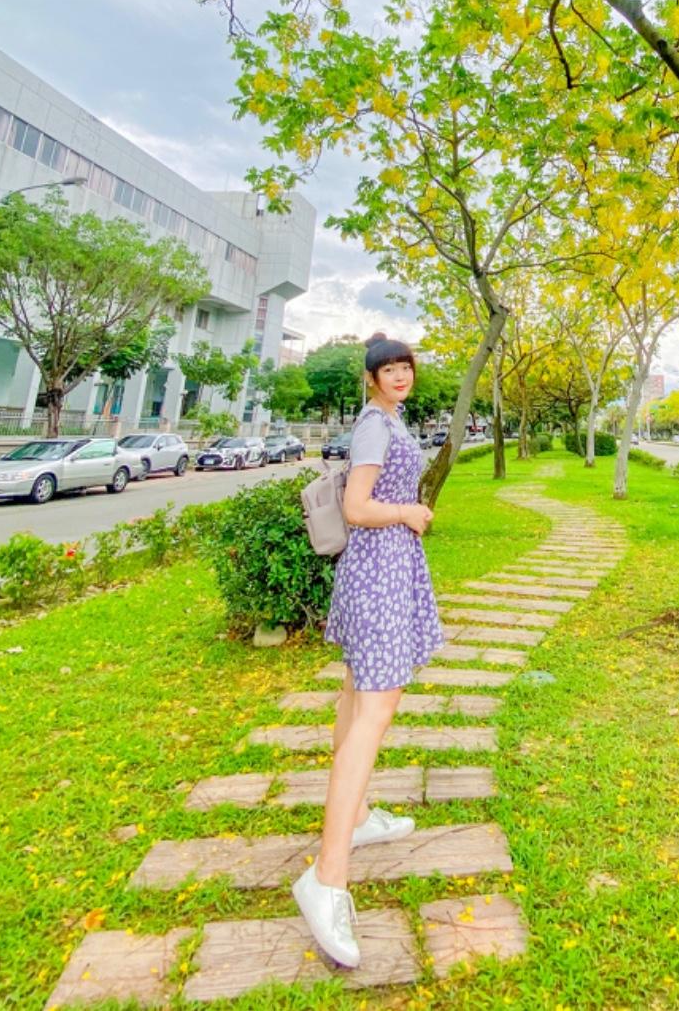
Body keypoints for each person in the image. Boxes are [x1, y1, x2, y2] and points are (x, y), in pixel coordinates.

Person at [292, 332, 445, 968]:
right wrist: (409, 511)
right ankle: (326, 878)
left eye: (406, 366)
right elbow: (356, 507)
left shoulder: (389, 419)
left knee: (357, 697)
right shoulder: (375, 427)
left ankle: (354, 816)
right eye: (389, 369)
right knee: (376, 711)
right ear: (372, 377)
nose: (400, 375)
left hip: (384, 571)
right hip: (379, 572)